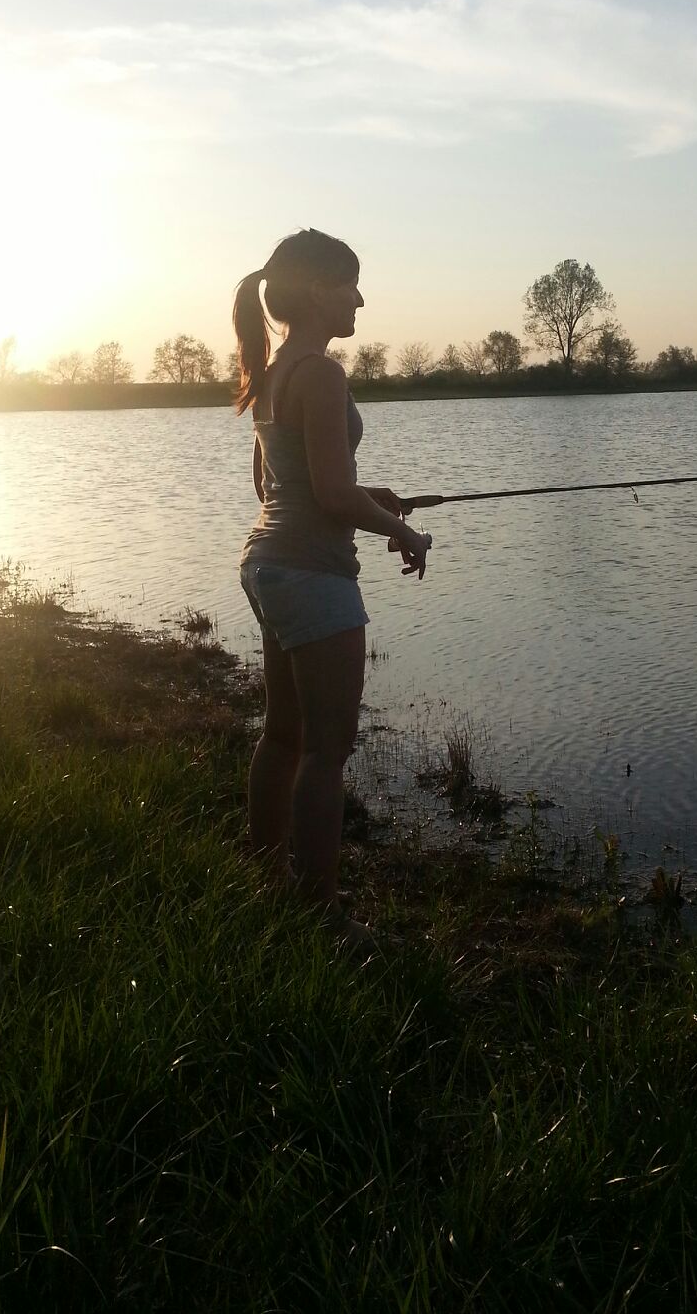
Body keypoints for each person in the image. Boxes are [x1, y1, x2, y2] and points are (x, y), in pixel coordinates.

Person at [232, 227, 431, 953]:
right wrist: (403, 532)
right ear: (318, 290)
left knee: (282, 735)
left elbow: (284, 486)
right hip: (312, 574)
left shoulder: (275, 370)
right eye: (350, 284)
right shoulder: (320, 372)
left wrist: (370, 497)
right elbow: (329, 496)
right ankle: (322, 919)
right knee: (327, 750)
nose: (360, 300)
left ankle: (265, 882)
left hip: (267, 565)